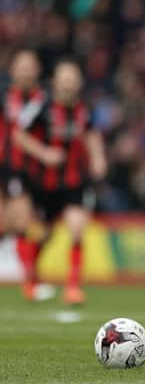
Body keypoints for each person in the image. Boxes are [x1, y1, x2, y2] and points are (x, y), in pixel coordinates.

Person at [14, 60, 107, 305]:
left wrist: (98, 158)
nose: (68, 84)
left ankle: (73, 287)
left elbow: (91, 132)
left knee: (77, 229)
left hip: (75, 181)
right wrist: (44, 153)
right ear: (55, 81)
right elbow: (19, 135)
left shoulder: (84, 108)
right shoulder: (41, 106)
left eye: (73, 79)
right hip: (45, 184)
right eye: (64, 79)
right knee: (43, 234)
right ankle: (31, 277)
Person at [0, 49, 54, 301]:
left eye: (30, 66)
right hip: (9, 168)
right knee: (20, 224)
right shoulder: (3, 95)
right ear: (12, 70)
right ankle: (31, 282)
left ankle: (31, 278)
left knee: (38, 229)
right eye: (21, 66)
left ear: (38, 70)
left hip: (37, 173)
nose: (25, 70)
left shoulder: (45, 100)